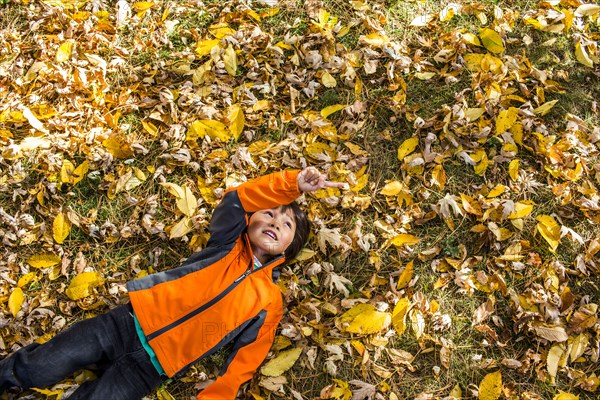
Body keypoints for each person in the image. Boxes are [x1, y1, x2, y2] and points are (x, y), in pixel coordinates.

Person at [0, 167, 345, 399]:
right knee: (45, 362)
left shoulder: (269, 299)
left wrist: (219, 392)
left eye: (286, 224)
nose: (274, 221)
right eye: (269, 212)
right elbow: (236, 200)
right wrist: (293, 185)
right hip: (126, 324)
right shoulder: (226, 244)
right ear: (251, 219)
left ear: (291, 245)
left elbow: (249, 354)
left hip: (152, 368)